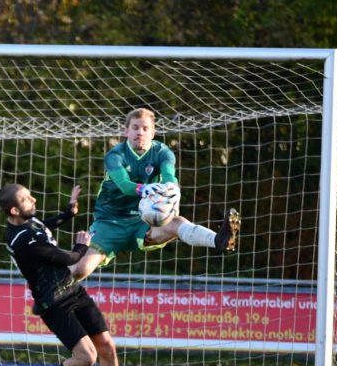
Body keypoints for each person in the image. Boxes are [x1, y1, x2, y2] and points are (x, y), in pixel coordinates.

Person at [0, 183, 134, 366]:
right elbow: (69, 258)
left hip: (72, 290)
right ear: (14, 210)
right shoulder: (23, 240)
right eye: (26, 199)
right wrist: (82, 245)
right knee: (86, 357)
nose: (34, 200)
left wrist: (68, 213)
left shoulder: (26, 223)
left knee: (106, 346)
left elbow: (44, 226)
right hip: (53, 302)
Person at [71, 107, 241, 281]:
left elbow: (169, 175)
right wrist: (142, 189)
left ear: (153, 133)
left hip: (143, 220)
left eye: (145, 128)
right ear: (126, 132)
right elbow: (123, 184)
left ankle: (219, 240)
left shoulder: (162, 152)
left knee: (176, 223)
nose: (140, 132)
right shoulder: (115, 155)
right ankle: (57, 283)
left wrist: (173, 188)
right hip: (110, 221)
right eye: (135, 128)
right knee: (80, 269)